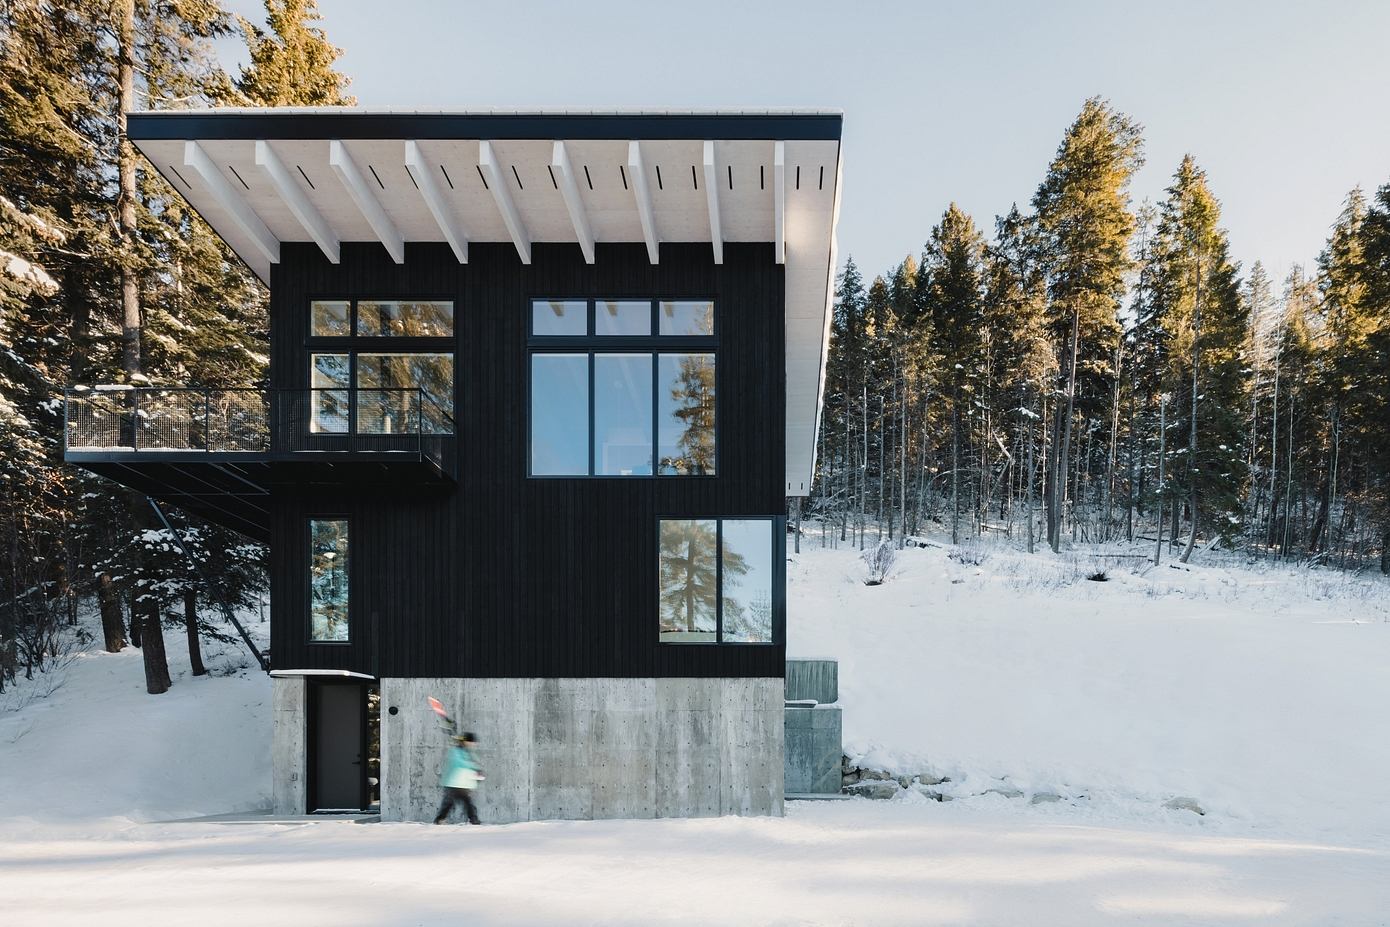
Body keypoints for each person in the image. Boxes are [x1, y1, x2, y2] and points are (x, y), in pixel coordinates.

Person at [434, 731, 482, 825]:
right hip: (453, 783)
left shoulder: (467, 752)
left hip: (463, 784)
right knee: (449, 803)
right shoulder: (455, 751)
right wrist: (473, 766)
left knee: (467, 803)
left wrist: (477, 770)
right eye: (471, 742)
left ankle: (473, 820)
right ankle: (440, 819)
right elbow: (458, 762)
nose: (473, 744)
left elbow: (474, 763)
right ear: (466, 741)